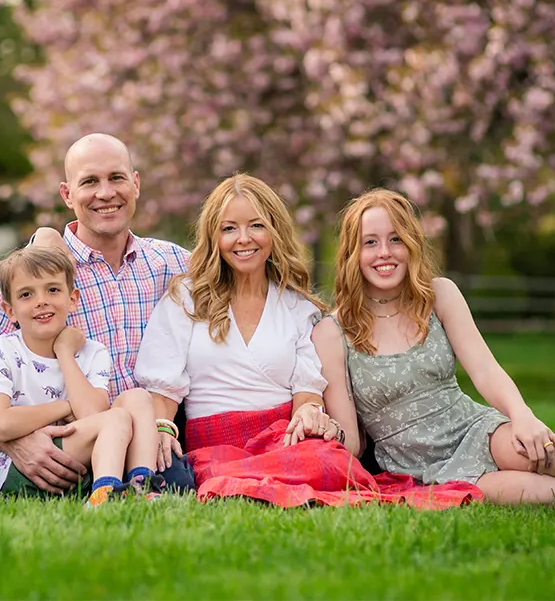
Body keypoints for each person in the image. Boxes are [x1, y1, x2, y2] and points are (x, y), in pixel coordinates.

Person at [312, 188, 555, 508]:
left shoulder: (439, 296)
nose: (385, 252)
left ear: (412, 244)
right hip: (417, 467)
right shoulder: (334, 331)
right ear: (352, 254)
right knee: (541, 495)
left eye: (396, 239)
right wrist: (323, 425)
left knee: (533, 450)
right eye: (371, 242)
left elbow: (485, 370)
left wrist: (523, 415)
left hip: (468, 427)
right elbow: (353, 442)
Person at [134, 174, 479, 508]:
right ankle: (241, 480)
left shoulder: (298, 307)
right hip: (214, 442)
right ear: (214, 236)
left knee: (331, 463)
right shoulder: (186, 297)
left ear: (274, 231)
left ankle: (246, 484)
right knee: (199, 469)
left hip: (282, 441)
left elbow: (307, 394)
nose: (244, 238)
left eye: (256, 225)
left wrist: (309, 416)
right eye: (229, 228)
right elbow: (164, 385)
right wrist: (163, 427)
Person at [0, 133, 192, 495]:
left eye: (116, 178)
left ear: (135, 184)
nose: (105, 193)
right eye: (89, 181)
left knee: (180, 486)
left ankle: (138, 483)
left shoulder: (173, 265)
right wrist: (11, 440)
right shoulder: (38, 276)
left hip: (146, 439)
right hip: (72, 443)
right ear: (67, 194)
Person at [0, 245, 163, 505]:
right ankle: (103, 497)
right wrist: (64, 406)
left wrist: (64, 352)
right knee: (116, 418)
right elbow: (1, 424)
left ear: (72, 298)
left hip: (81, 459)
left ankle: (143, 486)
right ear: (10, 311)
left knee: (138, 398)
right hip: (24, 471)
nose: (41, 301)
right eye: (26, 294)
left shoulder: (93, 352)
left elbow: (93, 416)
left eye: (52, 290)